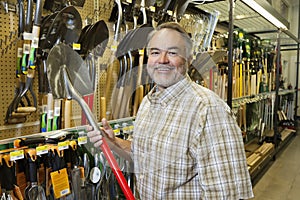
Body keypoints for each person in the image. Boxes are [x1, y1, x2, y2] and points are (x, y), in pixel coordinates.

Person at [88, 22, 254, 199]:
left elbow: (227, 194)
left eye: (172, 52)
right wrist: (113, 142)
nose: (162, 60)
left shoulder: (208, 110)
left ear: (189, 60)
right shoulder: (148, 103)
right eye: (155, 52)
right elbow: (141, 156)